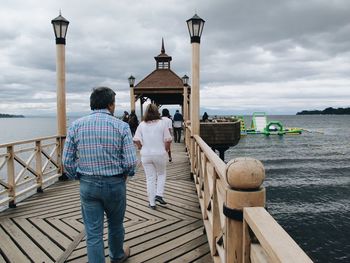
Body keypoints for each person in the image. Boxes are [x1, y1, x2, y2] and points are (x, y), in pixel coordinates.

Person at [62, 87, 137, 263]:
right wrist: (126, 174)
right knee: (116, 224)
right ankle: (117, 256)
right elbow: (131, 162)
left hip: (88, 184)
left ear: (92, 104)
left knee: (93, 231)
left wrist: (77, 176)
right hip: (115, 183)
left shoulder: (76, 125)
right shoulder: (122, 126)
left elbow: (66, 161)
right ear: (110, 105)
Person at [133, 104, 172, 209]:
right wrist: (166, 150)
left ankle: (152, 203)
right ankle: (159, 195)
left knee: (150, 178)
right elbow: (168, 139)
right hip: (159, 153)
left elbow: (136, 139)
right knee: (161, 174)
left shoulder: (142, 124)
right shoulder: (162, 124)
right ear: (156, 112)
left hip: (146, 155)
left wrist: (141, 147)